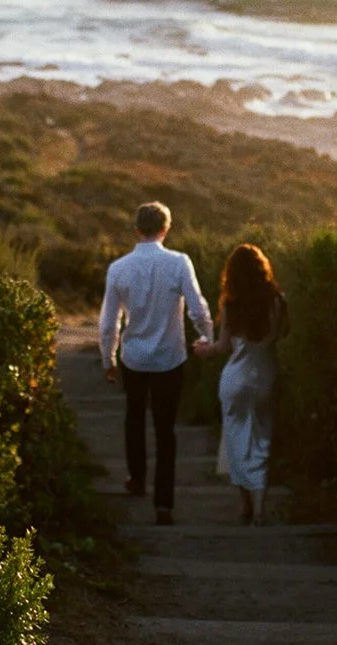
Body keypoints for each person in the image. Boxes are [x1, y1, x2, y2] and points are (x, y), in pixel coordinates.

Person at [99, 201, 214, 527]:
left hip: (134, 358)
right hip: (169, 358)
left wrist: (107, 358)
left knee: (133, 420)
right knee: (166, 432)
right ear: (166, 229)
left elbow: (109, 322)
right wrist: (207, 338)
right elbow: (198, 308)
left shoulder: (118, 268)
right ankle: (164, 504)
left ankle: (137, 480)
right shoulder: (179, 263)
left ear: (137, 229)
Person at [193, 243, 288, 526]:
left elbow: (221, 347)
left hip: (235, 377)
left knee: (235, 439)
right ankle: (259, 510)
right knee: (261, 439)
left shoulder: (231, 304)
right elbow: (282, 335)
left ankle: (244, 503)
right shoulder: (278, 301)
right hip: (265, 375)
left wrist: (202, 349)